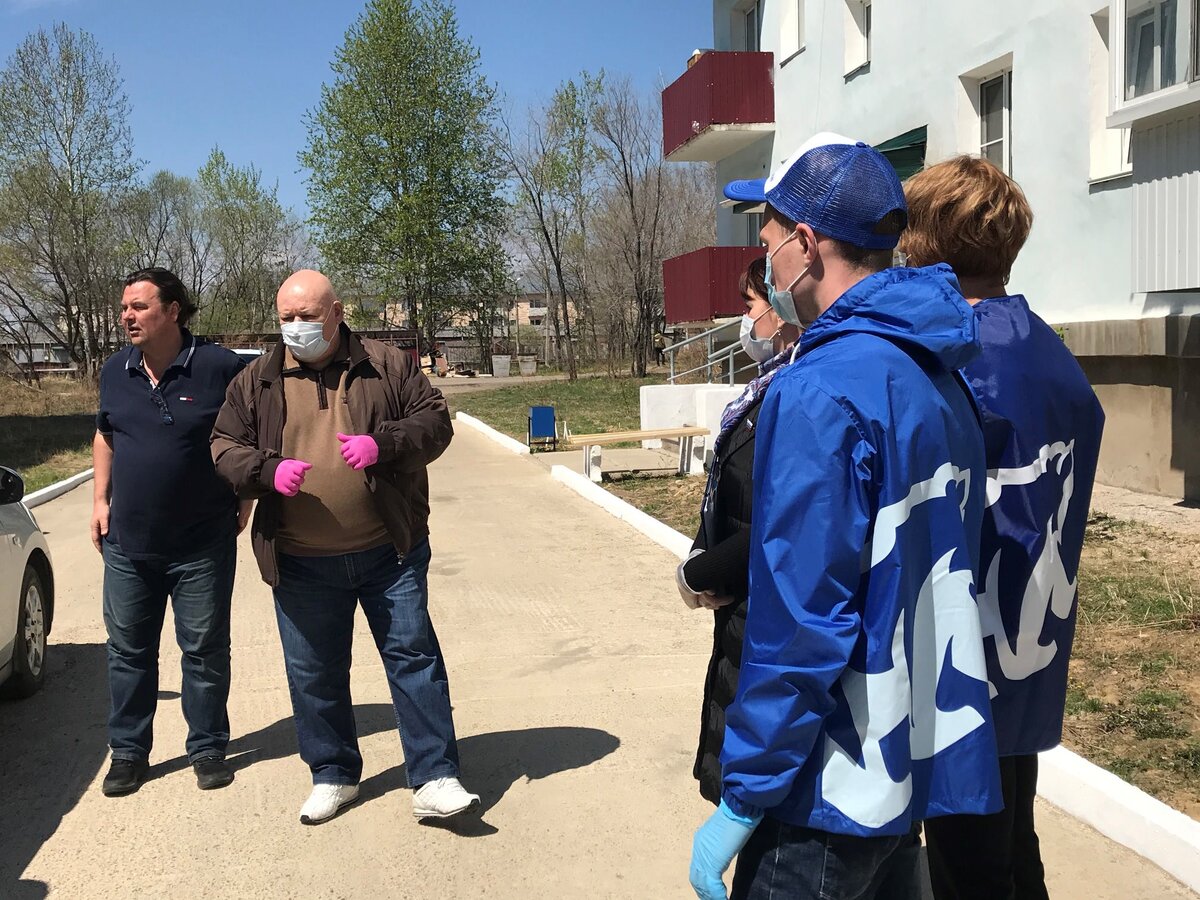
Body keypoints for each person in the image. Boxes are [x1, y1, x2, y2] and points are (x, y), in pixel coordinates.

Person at [688, 134, 1002, 900]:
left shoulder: (819, 391)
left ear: (805, 243)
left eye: (768, 241)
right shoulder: (939, 375)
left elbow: (801, 619)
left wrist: (745, 791)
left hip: (826, 786)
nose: (766, 263)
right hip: (904, 770)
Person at [902, 157, 1105, 900]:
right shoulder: (1045, 348)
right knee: (1014, 837)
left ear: (925, 245)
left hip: (968, 652)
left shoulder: (958, 360)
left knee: (971, 858)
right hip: (1032, 638)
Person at [210, 269, 478, 825]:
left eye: (306, 316)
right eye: (286, 318)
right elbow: (223, 445)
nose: (295, 327)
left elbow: (435, 422)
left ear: (336, 313)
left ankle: (434, 776)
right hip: (300, 559)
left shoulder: (386, 364)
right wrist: (266, 470)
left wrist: (383, 445)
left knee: (414, 660)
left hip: (389, 552)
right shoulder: (257, 379)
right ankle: (333, 774)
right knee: (314, 672)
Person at [92, 267, 249, 797]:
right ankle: (128, 752)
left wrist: (246, 495)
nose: (127, 316)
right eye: (124, 308)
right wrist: (99, 501)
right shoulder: (115, 370)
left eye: (138, 306)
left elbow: (248, 436)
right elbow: (105, 435)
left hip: (201, 544)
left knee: (204, 650)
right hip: (128, 545)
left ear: (173, 310)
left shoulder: (219, 367)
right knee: (128, 652)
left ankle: (207, 748)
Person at [675, 256, 801, 806]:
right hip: (740, 609)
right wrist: (704, 555)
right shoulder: (766, 385)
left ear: (782, 304)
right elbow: (736, 492)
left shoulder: (797, 390)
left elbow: (783, 517)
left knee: (753, 797)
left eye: (750, 303)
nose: (745, 319)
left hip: (765, 616)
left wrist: (700, 572)